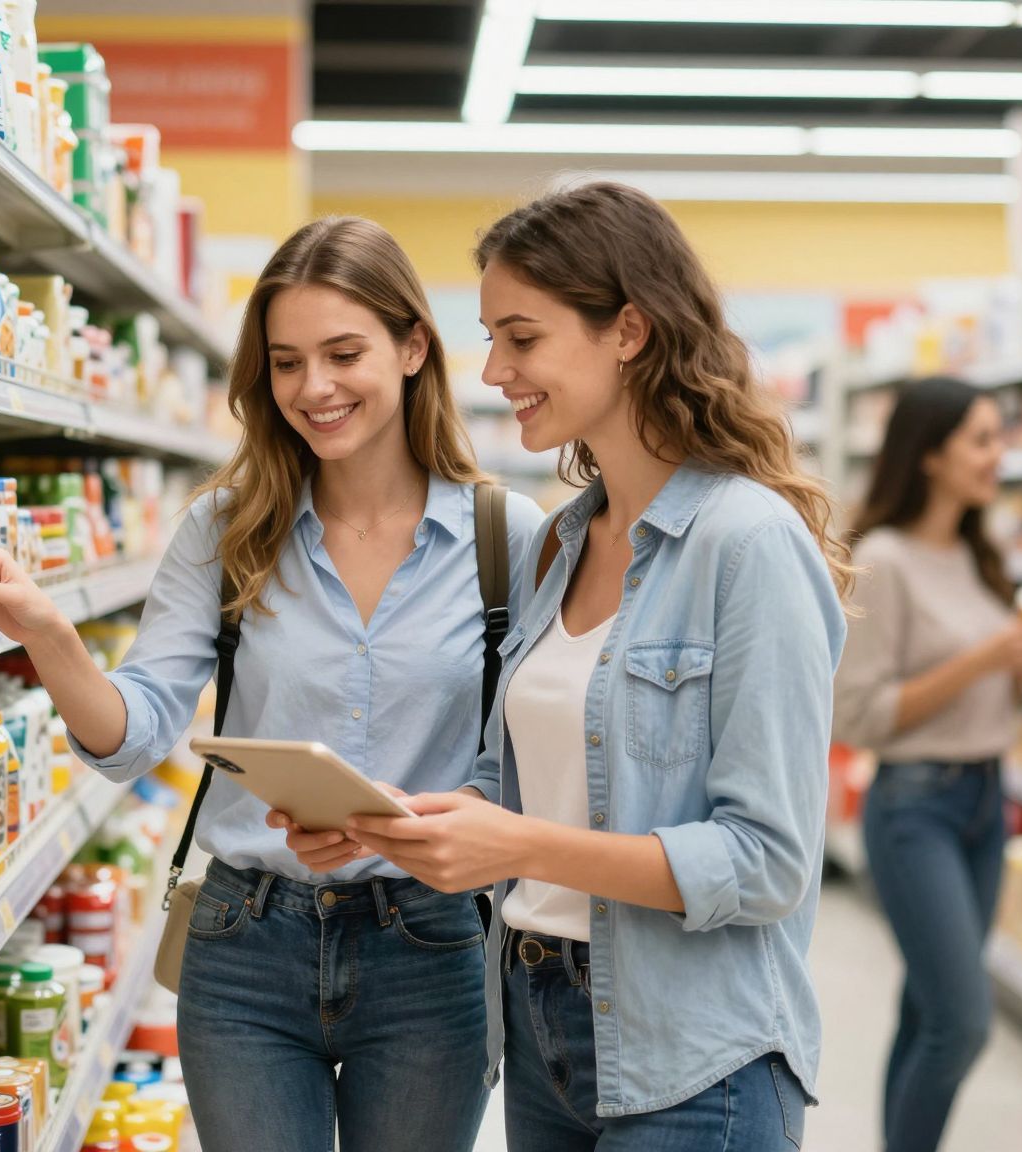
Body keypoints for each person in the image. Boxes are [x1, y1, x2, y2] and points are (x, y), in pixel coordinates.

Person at [0, 216, 542, 1152]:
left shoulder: (510, 540)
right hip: (248, 941)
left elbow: (523, 768)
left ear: (414, 346)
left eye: (344, 353)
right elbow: (134, 737)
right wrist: (48, 634)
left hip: (431, 948)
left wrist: (416, 823)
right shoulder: (224, 530)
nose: (314, 388)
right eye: (286, 362)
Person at [341, 182, 848, 1151]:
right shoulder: (561, 544)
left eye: (519, 337)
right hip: (540, 1032)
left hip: (695, 1056)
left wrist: (519, 847)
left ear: (627, 330)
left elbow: (765, 862)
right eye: (488, 337)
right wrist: (381, 823)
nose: (491, 369)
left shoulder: (745, 544)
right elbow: (519, 787)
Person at [830, 377, 1022, 1152]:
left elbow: (990, 694)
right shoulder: (886, 560)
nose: (1001, 455)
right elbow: (860, 716)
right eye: (984, 440)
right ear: (930, 455)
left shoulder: (976, 553)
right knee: (963, 1022)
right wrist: (985, 657)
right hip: (915, 807)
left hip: (985, 799)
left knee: (929, 1013)